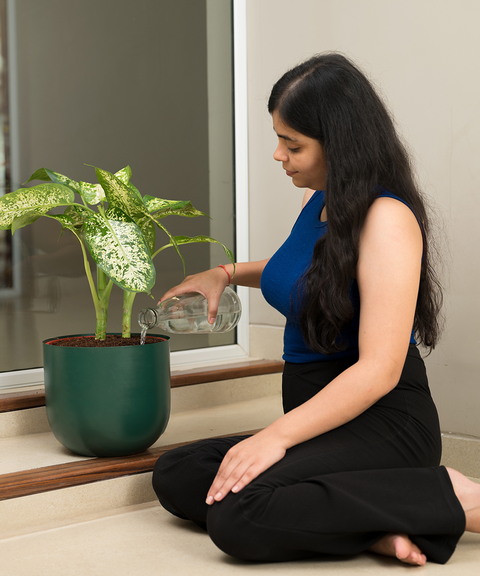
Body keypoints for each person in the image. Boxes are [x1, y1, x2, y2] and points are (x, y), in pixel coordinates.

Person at [152, 52, 480, 566]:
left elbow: (378, 371)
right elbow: (297, 272)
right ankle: (374, 527)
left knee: (239, 514)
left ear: (340, 143)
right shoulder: (322, 201)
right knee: (181, 473)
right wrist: (225, 272)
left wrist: (274, 439)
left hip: (382, 423)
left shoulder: (387, 220)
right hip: (321, 420)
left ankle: (456, 497)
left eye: (293, 143)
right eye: (279, 139)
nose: (279, 155)